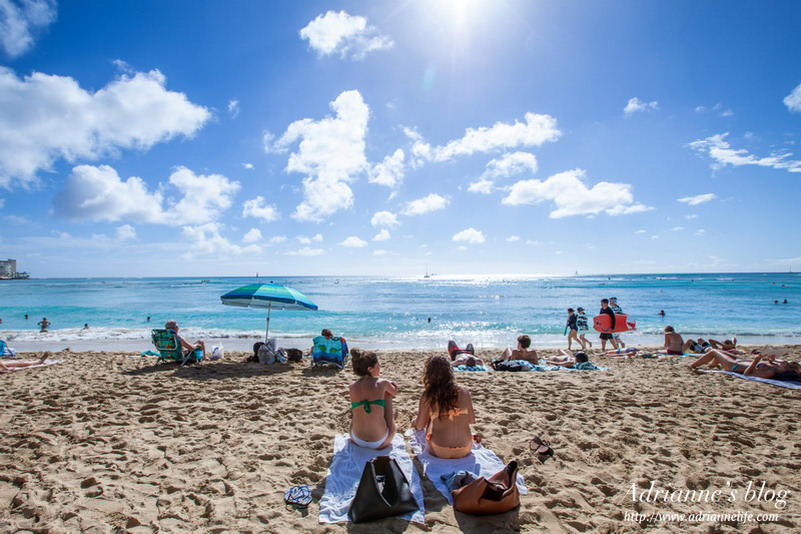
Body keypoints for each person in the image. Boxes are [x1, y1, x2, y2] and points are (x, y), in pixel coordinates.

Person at [414, 355, 476, 459]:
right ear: (449, 372)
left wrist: (416, 421)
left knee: (431, 417)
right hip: (466, 448)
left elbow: (420, 426)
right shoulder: (464, 391)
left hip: (440, 450)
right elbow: (471, 420)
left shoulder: (428, 395)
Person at [349, 349, 397, 449]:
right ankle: (389, 433)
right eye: (377, 365)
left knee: (359, 407)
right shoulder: (383, 383)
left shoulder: (352, 386)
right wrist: (392, 384)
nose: (379, 367)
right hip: (379, 442)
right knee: (388, 395)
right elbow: (394, 392)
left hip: (356, 439)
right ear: (370, 369)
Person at [691, 349, 801, 380]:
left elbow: (747, 374)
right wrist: (771, 360)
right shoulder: (776, 367)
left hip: (733, 366)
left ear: (787, 367)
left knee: (713, 352)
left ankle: (692, 366)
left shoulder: (770, 372)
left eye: (786, 362)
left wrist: (756, 361)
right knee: (722, 352)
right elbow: (773, 363)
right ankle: (712, 365)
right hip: (739, 361)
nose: (784, 361)